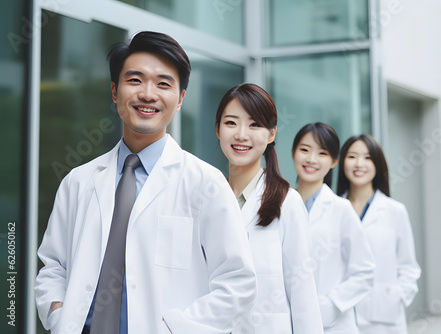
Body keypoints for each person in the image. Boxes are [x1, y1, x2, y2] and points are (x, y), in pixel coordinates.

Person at [34, 31, 257, 334]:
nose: (148, 94)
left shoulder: (206, 183)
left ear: (179, 100)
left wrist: (177, 328)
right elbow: (53, 266)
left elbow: (237, 282)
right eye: (135, 80)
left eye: (163, 84)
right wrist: (60, 315)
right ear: (115, 91)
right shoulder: (79, 181)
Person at [215, 83, 324, 333]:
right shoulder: (206, 199)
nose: (242, 134)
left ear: (272, 134)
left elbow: (303, 293)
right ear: (218, 130)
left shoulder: (288, 203)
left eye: (254, 125)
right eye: (231, 123)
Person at [291, 123, 375, 334]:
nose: (311, 159)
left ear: (334, 161)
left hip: (333, 325)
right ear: (293, 153)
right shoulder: (279, 206)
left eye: (322, 153)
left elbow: (364, 271)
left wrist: (330, 306)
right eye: (304, 150)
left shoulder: (341, 209)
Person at [337, 134, 421, 334]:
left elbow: (408, 267)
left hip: (384, 318)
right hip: (340, 315)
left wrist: (395, 297)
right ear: (341, 163)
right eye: (352, 157)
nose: (359, 164)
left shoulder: (394, 211)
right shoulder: (333, 208)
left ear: (378, 164)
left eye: (368, 158)